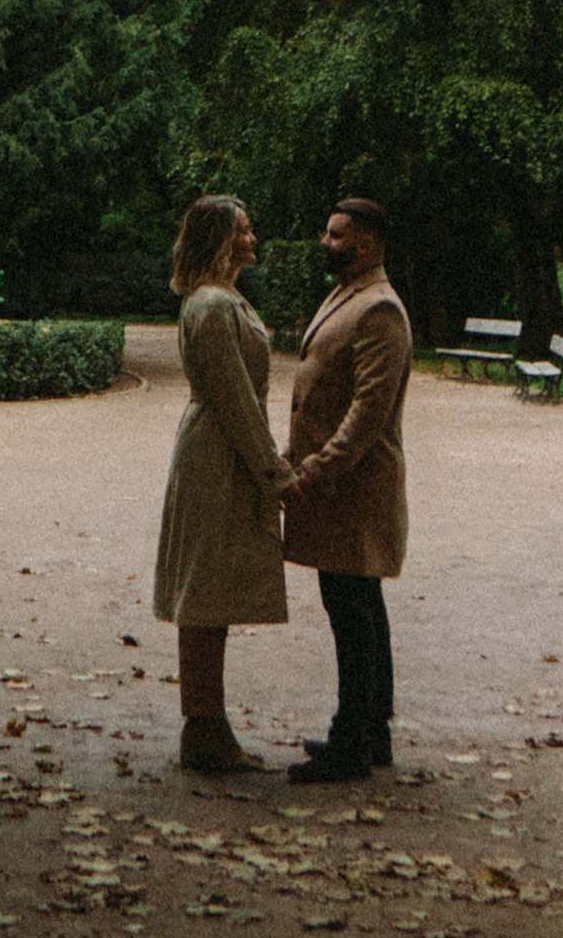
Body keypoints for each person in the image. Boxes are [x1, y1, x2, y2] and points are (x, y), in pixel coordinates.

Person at [152, 193, 298, 774]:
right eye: (243, 229)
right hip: (217, 457)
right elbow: (236, 402)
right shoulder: (212, 305)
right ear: (219, 238)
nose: (253, 237)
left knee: (210, 592)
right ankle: (204, 729)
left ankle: (207, 725)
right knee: (206, 592)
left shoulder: (221, 299)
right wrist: (277, 475)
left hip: (222, 451)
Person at [279, 195, 411, 782]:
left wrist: (317, 469)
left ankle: (353, 743)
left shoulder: (380, 309)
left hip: (354, 489)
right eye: (327, 233)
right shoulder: (349, 293)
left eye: (335, 236)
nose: (325, 244)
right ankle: (367, 731)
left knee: (353, 610)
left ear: (366, 244)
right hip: (341, 487)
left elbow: (369, 412)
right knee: (356, 605)